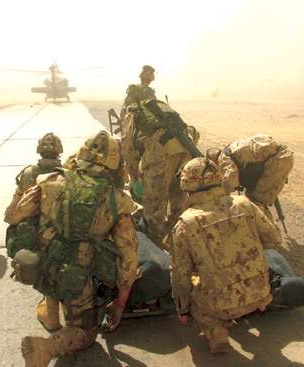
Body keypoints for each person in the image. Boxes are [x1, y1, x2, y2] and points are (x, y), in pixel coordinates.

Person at [5, 131, 139, 367]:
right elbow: (128, 258)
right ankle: (46, 348)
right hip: (75, 277)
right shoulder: (115, 198)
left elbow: (12, 216)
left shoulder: (49, 181)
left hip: (41, 267)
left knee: (54, 246)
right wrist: (119, 304)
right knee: (85, 334)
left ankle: (50, 309)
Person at [166, 157, 282, 354]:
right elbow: (274, 239)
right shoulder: (244, 203)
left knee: (194, 293)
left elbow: (180, 276)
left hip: (219, 304)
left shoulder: (186, 223)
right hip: (261, 294)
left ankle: (216, 331)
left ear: (187, 188)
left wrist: (183, 310)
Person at [4, 132, 64, 332]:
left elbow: (12, 213)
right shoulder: (67, 173)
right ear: (59, 151)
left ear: (39, 150)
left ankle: (52, 314)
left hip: (34, 235)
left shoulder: (29, 174)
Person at [121, 99, 197, 248]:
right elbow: (192, 132)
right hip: (184, 152)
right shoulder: (162, 109)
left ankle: (156, 245)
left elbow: (127, 149)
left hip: (161, 155)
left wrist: (134, 177)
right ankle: (178, 239)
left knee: (154, 204)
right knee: (178, 199)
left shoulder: (132, 115)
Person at [207, 134, 294, 220]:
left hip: (278, 160)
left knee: (254, 201)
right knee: (254, 195)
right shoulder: (231, 149)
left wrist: (217, 201)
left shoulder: (224, 158)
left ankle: (266, 230)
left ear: (214, 162)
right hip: (284, 155)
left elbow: (230, 182)